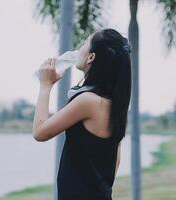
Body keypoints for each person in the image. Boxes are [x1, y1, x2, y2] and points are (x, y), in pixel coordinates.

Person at [32, 28, 132, 200]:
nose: (80, 47)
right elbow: (116, 160)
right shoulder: (112, 104)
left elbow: (40, 132)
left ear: (91, 57)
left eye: (85, 42)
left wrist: (45, 86)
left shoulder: (89, 101)